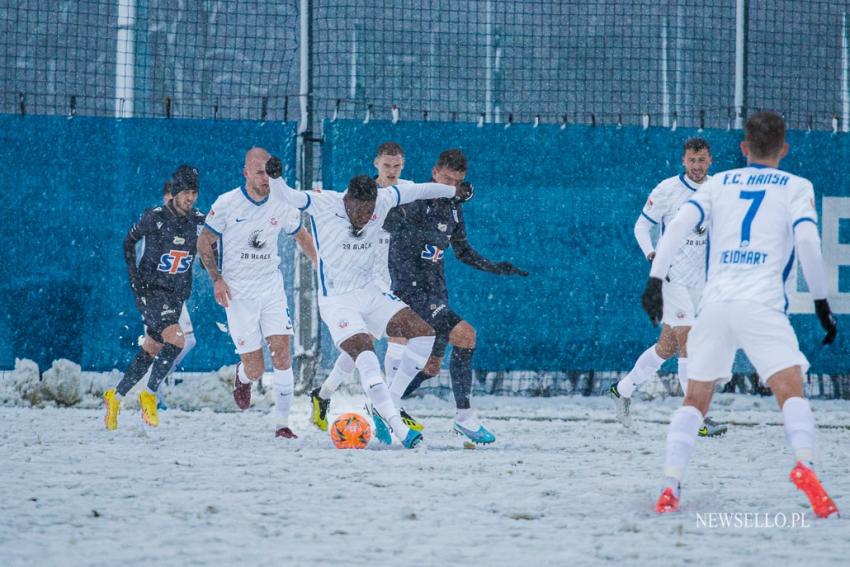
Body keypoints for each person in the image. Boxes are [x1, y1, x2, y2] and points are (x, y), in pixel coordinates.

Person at [642, 111, 839, 517]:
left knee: (695, 398)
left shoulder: (721, 184)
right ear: (783, 149)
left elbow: (677, 226)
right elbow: (807, 241)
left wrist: (654, 280)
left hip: (714, 304)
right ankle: (805, 464)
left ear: (744, 149)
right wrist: (821, 301)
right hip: (760, 303)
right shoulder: (796, 186)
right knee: (790, 390)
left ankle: (669, 485)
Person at [266, 155, 467, 448]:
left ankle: (374, 400)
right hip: (337, 300)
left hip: (371, 290)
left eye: (370, 211)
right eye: (360, 211)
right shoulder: (323, 203)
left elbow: (422, 190)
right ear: (347, 201)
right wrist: (275, 178)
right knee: (366, 355)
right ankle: (400, 428)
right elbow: (287, 195)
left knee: (424, 332)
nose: (365, 217)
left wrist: (454, 192)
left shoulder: (385, 199)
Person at [384, 149, 528, 445]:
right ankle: (464, 419)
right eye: (446, 179)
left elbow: (462, 251)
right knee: (465, 335)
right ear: (434, 173)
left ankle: (384, 405)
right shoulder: (411, 199)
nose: (450, 186)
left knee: (431, 367)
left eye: (456, 181)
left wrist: (495, 267)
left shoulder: (453, 209)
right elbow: (381, 217)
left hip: (436, 292)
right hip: (409, 291)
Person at [196, 147, 316, 439]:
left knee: (282, 353)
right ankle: (242, 376)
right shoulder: (227, 203)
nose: (265, 178)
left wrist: (323, 267)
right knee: (256, 368)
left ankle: (282, 424)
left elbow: (301, 235)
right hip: (238, 293)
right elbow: (204, 241)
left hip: (270, 287)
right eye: (259, 172)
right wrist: (217, 279)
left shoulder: (281, 202)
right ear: (246, 173)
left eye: (269, 172)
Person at [609, 138, 726, 437]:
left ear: (710, 161)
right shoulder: (667, 190)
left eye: (702, 160)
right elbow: (640, 226)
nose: (697, 166)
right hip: (672, 278)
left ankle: (621, 390)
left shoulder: (719, 191)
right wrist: (652, 254)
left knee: (667, 347)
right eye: (692, 160)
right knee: (691, 341)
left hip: (701, 281)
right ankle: (697, 417)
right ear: (683, 161)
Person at [309, 141, 418, 432]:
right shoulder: (361, 195)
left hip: (399, 274)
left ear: (403, 165)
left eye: (396, 166)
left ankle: (322, 395)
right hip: (369, 279)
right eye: (386, 165)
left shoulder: (406, 191)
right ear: (375, 164)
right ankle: (390, 407)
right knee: (385, 340)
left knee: (367, 345)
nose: (392, 171)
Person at [103, 165, 206, 429]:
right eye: (185, 192)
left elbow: (208, 248)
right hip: (152, 292)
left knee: (151, 348)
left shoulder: (198, 221)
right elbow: (128, 242)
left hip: (176, 295)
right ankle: (149, 394)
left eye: (194, 192)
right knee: (179, 340)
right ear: (174, 193)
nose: (190, 197)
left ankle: (115, 397)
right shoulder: (155, 217)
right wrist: (135, 280)